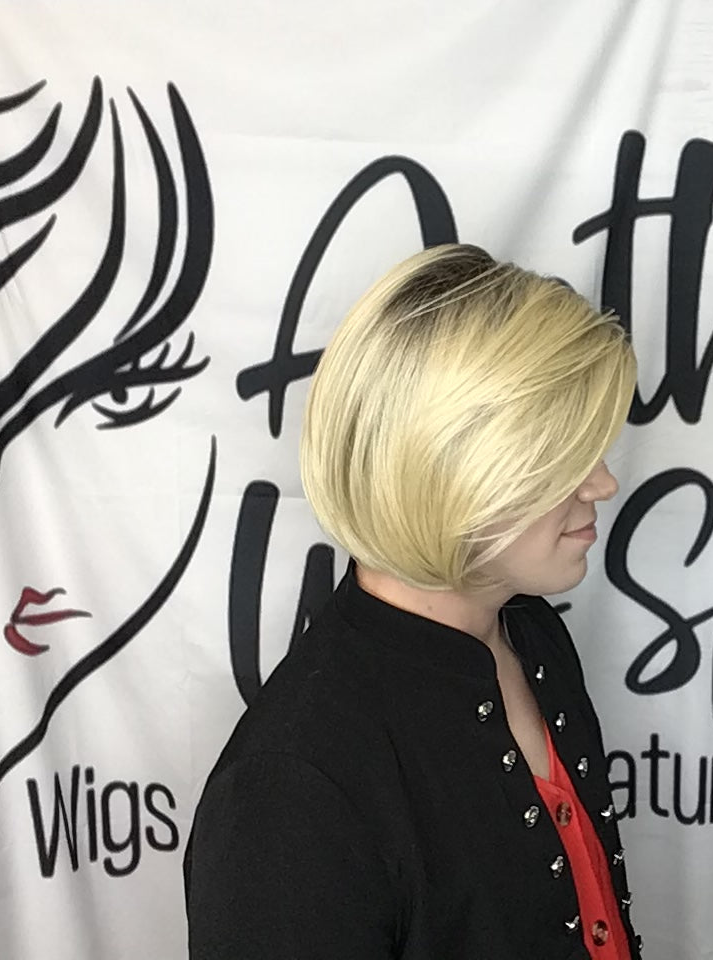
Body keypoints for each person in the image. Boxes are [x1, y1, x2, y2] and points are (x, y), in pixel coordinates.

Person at [184, 243, 642, 959]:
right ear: (442, 466)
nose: (603, 484)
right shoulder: (292, 790)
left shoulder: (532, 634)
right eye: (560, 458)